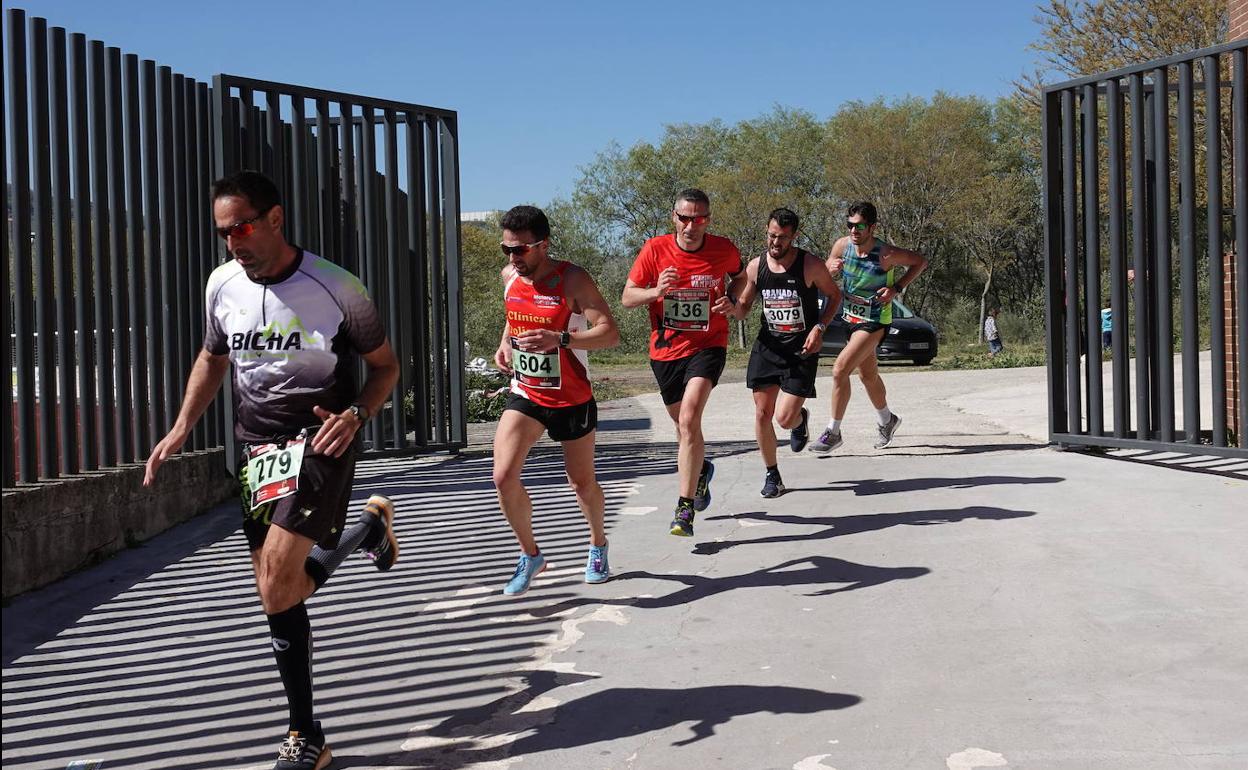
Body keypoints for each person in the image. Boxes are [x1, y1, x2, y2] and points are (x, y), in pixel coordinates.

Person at [143, 170, 400, 770]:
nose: (235, 243)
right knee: (273, 592)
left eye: (244, 228)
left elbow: (385, 367)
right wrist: (182, 425)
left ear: (276, 219)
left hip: (321, 440)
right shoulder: (221, 284)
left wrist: (358, 412)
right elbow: (213, 357)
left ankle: (305, 734)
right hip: (258, 450)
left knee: (279, 580)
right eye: (225, 233)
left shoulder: (336, 286)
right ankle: (364, 532)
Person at [491, 205, 620, 595]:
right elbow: (515, 315)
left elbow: (610, 333)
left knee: (581, 484)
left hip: (572, 397)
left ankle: (598, 544)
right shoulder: (510, 277)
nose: (514, 258)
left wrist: (561, 339)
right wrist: (504, 344)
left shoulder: (572, 279)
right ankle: (530, 555)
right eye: (507, 249)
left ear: (543, 245)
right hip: (527, 392)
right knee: (502, 476)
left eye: (522, 250)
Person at [622, 188, 745, 536]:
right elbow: (628, 298)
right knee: (683, 430)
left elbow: (740, 276)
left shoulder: (723, 249)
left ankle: (684, 508)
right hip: (665, 352)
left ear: (708, 219)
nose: (692, 225)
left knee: (690, 419)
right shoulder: (655, 249)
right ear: (674, 217)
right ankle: (701, 470)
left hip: (708, 344)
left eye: (700, 218)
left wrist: (732, 298)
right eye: (685, 218)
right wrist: (656, 292)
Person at [726, 208, 840, 497]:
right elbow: (744, 309)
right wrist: (732, 308)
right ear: (767, 231)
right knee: (763, 413)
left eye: (783, 238)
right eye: (772, 236)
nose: (776, 243)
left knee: (784, 418)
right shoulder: (756, 267)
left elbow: (834, 296)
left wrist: (820, 328)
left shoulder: (810, 265)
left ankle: (800, 419)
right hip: (768, 347)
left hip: (801, 350)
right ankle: (772, 475)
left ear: (794, 236)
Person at [810, 201, 928, 453]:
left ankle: (833, 432)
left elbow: (920, 262)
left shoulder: (886, 254)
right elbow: (825, 271)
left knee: (840, 369)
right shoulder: (842, 246)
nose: (854, 231)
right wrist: (829, 268)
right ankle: (888, 420)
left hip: (874, 321)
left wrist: (896, 289)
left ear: (872, 227)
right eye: (850, 225)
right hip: (850, 319)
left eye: (860, 226)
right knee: (868, 375)